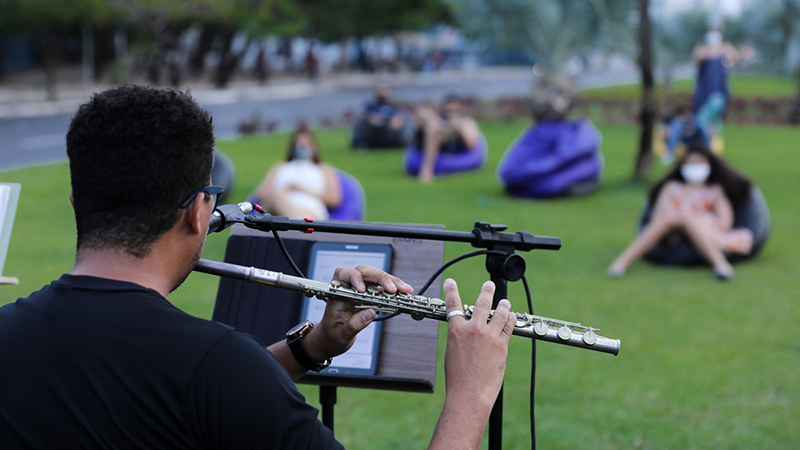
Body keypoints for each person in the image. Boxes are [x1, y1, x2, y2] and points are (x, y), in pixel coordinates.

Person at [0, 85, 516, 449]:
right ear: (198, 212)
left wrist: (310, 348)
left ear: (74, 200)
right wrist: (470, 398)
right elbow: (203, 386)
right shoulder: (219, 365)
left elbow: (169, 394)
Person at [608, 144, 753, 280]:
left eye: (699, 164)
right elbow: (657, 216)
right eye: (690, 164)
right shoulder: (672, 187)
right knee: (669, 218)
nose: (695, 168)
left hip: (703, 228)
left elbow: (724, 222)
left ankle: (721, 265)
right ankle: (621, 263)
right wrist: (678, 219)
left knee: (690, 220)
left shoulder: (715, 191)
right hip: (671, 228)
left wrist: (695, 220)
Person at [662, 28, 740, 164]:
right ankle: (704, 154)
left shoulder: (724, 51)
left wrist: (723, 47)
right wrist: (712, 49)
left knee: (700, 121)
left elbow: (735, 58)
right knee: (705, 126)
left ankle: (707, 154)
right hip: (702, 97)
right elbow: (697, 57)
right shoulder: (703, 50)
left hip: (717, 95)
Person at [254, 125, 342, 220]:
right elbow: (261, 194)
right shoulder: (280, 167)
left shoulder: (323, 169)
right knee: (276, 194)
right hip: (276, 206)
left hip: (309, 210)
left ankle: (294, 223)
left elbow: (334, 198)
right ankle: (294, 224)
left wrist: (301, 190)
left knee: (279, 198)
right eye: (299, 143)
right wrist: (284, 192)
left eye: (306, 143)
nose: (302, 147)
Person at [412, 94, 482, 183]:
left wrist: (456, 127)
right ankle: (426, 169)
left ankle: (426, 170)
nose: (451, 112)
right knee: (431, 123)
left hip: (449, 149)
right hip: (426, 142)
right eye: (448, 109)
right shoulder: (435, 119)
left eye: (454, 109)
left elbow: (472, 146)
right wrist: (440, 124)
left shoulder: (466, 121)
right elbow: (420, 115)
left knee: (437, 129)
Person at [351, 83, 410, 149]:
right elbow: (363, 116)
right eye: (381, 90)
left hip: (388, 131)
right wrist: (372, 118)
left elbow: (399, 118)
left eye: (385, 90)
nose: (383, 92)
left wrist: (395, 120)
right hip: (374, 130)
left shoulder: (394, 105)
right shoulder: (370, 105)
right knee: (365, 121)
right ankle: (362, 143)